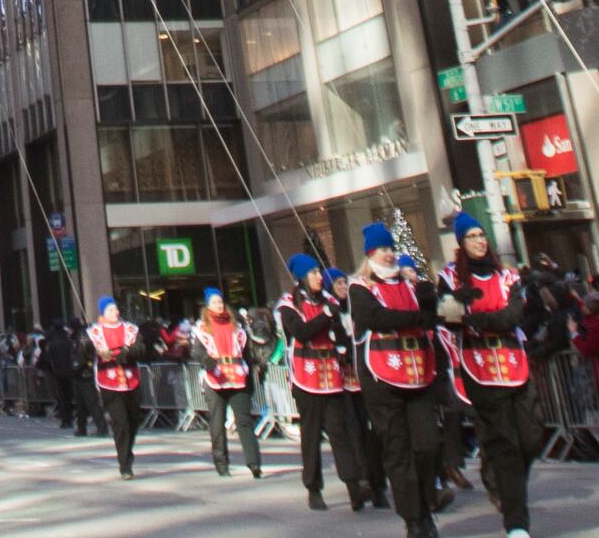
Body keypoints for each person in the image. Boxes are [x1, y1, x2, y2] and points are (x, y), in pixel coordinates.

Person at [440, 214, 540, 538]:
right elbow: (449, 318)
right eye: (472, 236)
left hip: (514, 363)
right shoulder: (450, 278)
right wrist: (464, 314)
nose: (480, 241)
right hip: (479, 369)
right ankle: (517, 523)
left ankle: (508, 485)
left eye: (482, 234)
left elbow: (515, 313)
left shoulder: (508, 276)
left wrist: (478, 320)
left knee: (531, 436)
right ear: (461, 242)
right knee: (505, 443)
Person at [348, 226, 441, 538]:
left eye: (390, 248)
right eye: (382, 249)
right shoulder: (360, 287)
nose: (389, 254)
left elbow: (434, 310)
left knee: (428, 445)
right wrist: (416, 318)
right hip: (382, 379)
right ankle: (414, 518)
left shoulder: (410, 285)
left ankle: (426, 502)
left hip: (418, 374)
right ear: (370, 254)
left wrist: (432, 300)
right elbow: (375, 318)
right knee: (398, 450)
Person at [276, 251, 368, 513]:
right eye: (314, 272)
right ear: (302, 277)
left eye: (318, 271)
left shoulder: (328, 300)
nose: (319, 276)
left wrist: (342, 342)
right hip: (307, 377)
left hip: (332, 374)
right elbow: (301, 332)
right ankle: (313, 487)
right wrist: (326, 315)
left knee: (340, 433)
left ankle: (354, 485)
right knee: (312, 433)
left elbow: (340, 329)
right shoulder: (289, 304)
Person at [188, 285, 262, 480]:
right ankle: (221, 463)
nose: (219, 305)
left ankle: (254, 463)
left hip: (237, 375)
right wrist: (206, 360)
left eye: (220, 301)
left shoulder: (236, 325)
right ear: (208, 306)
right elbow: (196, 350)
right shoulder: (201, 328)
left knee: (244, 421)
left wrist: (252, 376)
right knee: (217, 422)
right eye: (214, 302)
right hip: (215, 376)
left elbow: (246, 352)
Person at [86, 294, 146, 478]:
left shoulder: (130, 329)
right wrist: (93, 349)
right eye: (110, 309)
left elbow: (141, 349)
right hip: (109, 382)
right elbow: (84, 352)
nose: (115, 312)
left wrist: (124, 354)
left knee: (134, 420)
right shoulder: (94, 332)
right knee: (121, 422)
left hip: (131, 380)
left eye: (115, 308)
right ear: (103, 313)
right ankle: (125, 465)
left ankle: (127, 450)